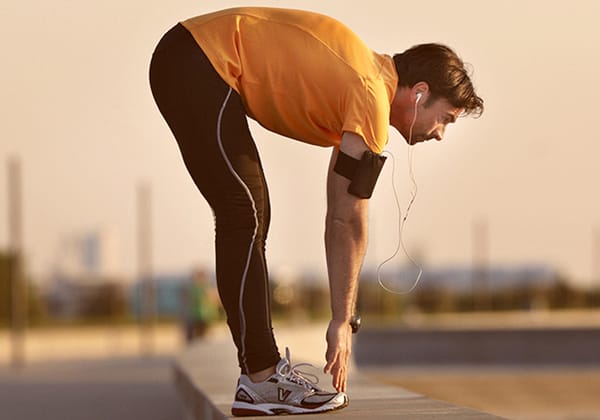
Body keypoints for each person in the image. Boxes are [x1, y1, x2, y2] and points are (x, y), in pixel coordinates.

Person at [149, 6, 483, 416]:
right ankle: (260, 377)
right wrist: (342, 322)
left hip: (194, 60)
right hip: (197, 60)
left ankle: (260, 374)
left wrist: (343, 317)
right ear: (419, 93)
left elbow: (338, 213)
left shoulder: (367, 86)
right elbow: (349, 219)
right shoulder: (370, 93)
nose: (441, 134)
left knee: (252, 213)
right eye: (444, 118)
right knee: (245, 212)